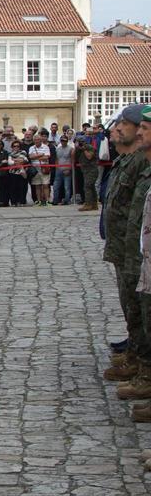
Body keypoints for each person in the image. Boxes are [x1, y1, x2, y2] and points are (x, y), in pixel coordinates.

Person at [103, 104, 148, 386]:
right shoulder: (127, 160)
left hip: (136, 250)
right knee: (131, 305)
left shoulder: (141, 162)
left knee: (138, 307)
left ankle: (142, 365)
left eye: (126, 125)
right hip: (123, 246)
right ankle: (137, 356)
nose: (117, 128)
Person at [28, 133, 52, 206]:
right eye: (35, 140)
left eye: (38, 139)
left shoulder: (46, 147)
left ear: (41, 140)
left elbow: (47, 157)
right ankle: (38, 201)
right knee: (37, 185)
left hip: (44, 167)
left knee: (45, 185)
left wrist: (36, 156)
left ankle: (47, 200)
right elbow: (30, 157)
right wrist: (41, 155)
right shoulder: (31, 148)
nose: (37, 141)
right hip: (35, 169)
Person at [77, 137, 99, 211]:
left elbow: (89, 156)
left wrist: (84, 149)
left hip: (92, 170)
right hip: (86, 171)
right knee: (91, 187)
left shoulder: (89, 147)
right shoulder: (79, 149)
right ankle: (94, 204)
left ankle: (88, 204)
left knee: (87, 187)